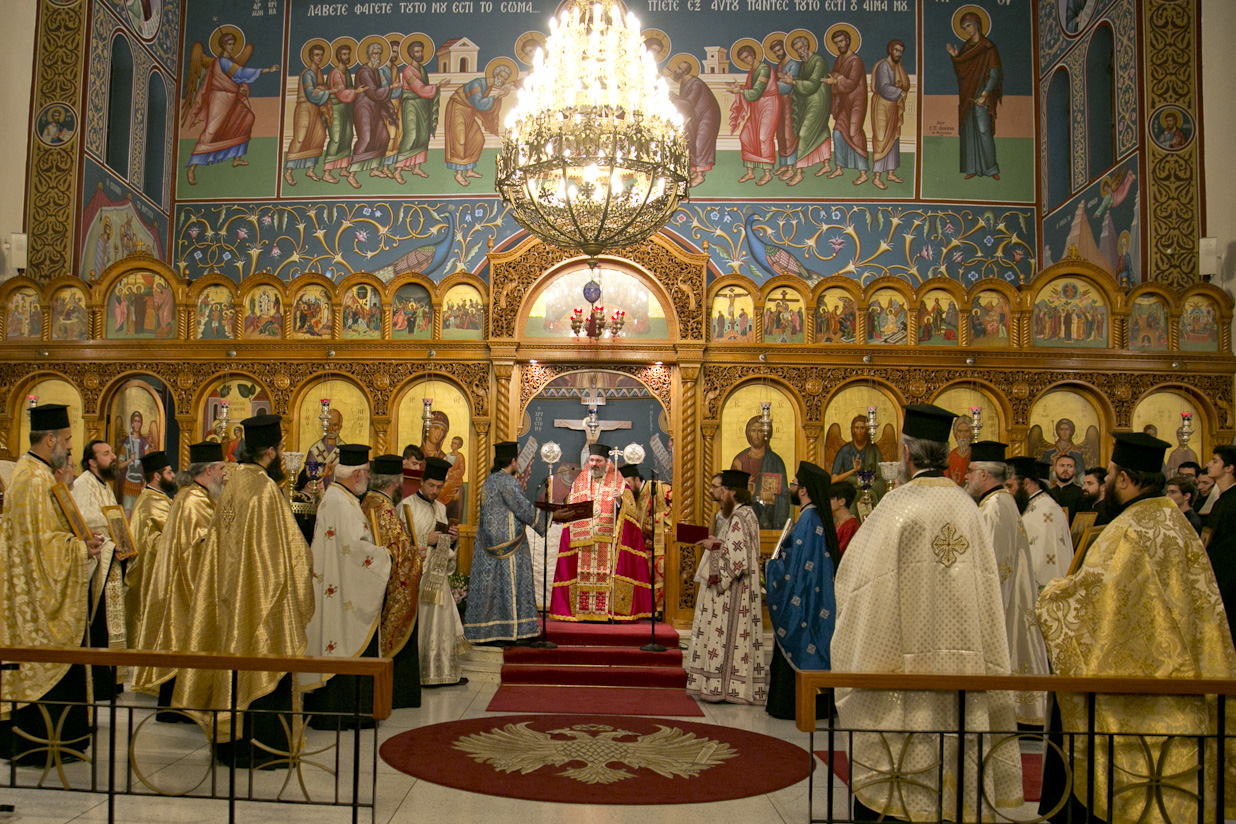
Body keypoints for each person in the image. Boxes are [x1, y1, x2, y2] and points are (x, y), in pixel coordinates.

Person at [831, 404, 1023, 821]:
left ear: (907, 453)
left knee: (904, 778)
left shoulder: (897, 508)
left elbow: (858, 586)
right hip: (963, 677)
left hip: (907, 677)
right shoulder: (970, 509)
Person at [1036, 432, 1236, 824]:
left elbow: (1095, 602)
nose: (1107, 483)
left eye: (1109, 475)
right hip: (1183, 677)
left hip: (1139, 687)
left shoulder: (1127, 529)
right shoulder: (1173, 520)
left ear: (1125, 479)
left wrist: (1052, 597)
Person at [173, 414, 314, 767]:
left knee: (234, 671)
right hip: (261, 603)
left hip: (230, 597)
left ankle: (229, 744)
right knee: (263, 667)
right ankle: (265, 750)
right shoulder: (265, 488)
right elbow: (286, 553)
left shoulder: (233, 483)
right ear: (269, 451)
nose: (281, 455)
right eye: (280, 449)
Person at [0, 405, 103, 762]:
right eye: (68, 439)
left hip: (40, 589)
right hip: (39, 598)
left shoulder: (37, 474)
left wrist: (80, 542)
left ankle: (62, 740)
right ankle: (41, 745)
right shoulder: (33, 481)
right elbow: (41, 549)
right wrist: (79, 550)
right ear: (50, 440)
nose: (71, 447)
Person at [131, 442, 226, 717]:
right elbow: (198, 548)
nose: (224, 474)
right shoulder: (193, 502)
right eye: (221, 469)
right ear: (208, 470)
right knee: (185, 639)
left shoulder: (195, 496)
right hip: (188, 587)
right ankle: (180, 706)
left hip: (188, 584)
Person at [302, 444, 391, 729]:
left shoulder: (338, 497)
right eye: (366, 473)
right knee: (344, 637)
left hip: (337, 586)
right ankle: (345, 711)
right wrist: (384, 556)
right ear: (357, 475)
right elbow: (356, 552)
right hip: (342, 588)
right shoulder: (342, 503)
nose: (367, 479)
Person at [964, 441, 1049, 727]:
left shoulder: (995, 508)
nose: (966, 476)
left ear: (985, 475)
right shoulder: (1000, 502)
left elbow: (996, 570)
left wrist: (981, 613)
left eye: (971, 470)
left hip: (1003, 603)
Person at [686, 469, 766, 705]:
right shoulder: (745, 514)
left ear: (730, 491)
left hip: (733, 593)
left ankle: (726, 686)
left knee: (728, 636)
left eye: (718, 488)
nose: (715, 493)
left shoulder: (739, 517)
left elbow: (736, 561)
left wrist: (713, 547)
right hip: (740, 590)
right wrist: (717, 543)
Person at [765, 461, 838, 720]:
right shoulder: (813, 518)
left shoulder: (808, 520)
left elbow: (794, 570)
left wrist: (772, 566)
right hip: (815, 599)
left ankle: (789, 705)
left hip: (803, 602)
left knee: (799, 643)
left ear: (804, 490)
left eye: (794, 484)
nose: (791, 489)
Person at [551, 445, 652, 621]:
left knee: (606, 577)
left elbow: (631, 512)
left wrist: (620, 500)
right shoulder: (579, 483)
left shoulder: (619, 484)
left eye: (598, 461)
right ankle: (582, 612)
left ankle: (607, 613)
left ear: (607, 463)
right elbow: (571, 507)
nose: (594, 464)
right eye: (591, 460)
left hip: (609, 542)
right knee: (583, 575)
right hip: (584, 541)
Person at [464, 442, 545, 644]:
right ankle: (516, 631)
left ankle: (488, 631)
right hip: (511, 548)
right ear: (512, 461)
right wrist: (548, 517)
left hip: (487, 548)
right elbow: (523, 509)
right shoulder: (508, 482)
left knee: (493, 590)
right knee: (512, 586)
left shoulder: (489, 482)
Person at [361, 454, 423, 708]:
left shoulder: (368, 502)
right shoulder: (384, 508)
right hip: (389, 587)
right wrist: (416, 557)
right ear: (396, 482)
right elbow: (399, 554)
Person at [401, 457, 469, 687]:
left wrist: (452, 540)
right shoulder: (406, 506)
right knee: (423, 624)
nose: (435, 491)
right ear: (422, 481)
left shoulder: (441, 507)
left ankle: (444, 672)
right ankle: (420, 673)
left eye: (439, 487)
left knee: (442, 623)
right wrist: (424, 539)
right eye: (431, 486)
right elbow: (399, 544)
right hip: (418, 577)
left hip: (438, 577)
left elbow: (444, 543)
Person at [182, 31, 280, 185]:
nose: (231, 47)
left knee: (247, 118)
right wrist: (267, 70)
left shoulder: (230, 61)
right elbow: (241, 73)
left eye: (233, 44)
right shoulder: (223, 62)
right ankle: (192, 168)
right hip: (220, 99)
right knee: (211, 131)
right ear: (223, 45)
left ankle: (237, 158)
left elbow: (234, 79)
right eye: (229, 44)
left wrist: (238, 88)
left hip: (231, 98)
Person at [70, 439, 126, 699]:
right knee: (99, 624)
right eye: (106, 454)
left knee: (109, 622)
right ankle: (99, 683)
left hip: (111, 560)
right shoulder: (82, 484)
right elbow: (83, 523)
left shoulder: (105, 485)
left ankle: (110, 681)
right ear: (91, 462)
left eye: (111, 452)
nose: (113, 456)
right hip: (96, 562)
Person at [123, 450, 176, 668]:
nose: (173, 475)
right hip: (150, 574)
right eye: (169, 472)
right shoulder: (150, 502)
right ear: (157, 476)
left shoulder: (158, 498)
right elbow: (157, 540)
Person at [947, 11, 1002, 180]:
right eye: (964, 28)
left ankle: (991, 169)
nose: (966, 30)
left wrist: (984, 95)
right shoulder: (965, 48)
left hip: (982, 96)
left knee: (984, 130)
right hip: (967, 97)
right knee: (968, 131)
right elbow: (962, 73)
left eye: (968, 26)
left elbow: (994, 74)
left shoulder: (988, 47)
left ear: (977, 25)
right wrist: (956, 58)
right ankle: (971, 168)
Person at [1007, 457, 1073, 590]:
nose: (1007, 492)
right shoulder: (1034, 505)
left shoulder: (1045, 512)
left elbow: (1044, 564)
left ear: (1026, 483)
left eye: (1009, 486)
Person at [444, 63, 512, 187]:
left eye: (504, 79)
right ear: (495, 74)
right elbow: (480, 104)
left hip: (469, 111)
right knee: (460, 139)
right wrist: (497, 95)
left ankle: (469, 170)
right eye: (501, 76)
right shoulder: (477, 84)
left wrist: (499, 96)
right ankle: (458, 174)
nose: (502, 80)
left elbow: (484, 106)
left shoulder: (488, 87)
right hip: (458, 109)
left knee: (478, 139)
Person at [728, 44, 778, 186]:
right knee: (746, 136)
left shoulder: (764, 69)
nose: (746, 61)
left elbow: (758, 91)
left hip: (769, 104)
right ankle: (750, 172)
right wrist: (740, 89)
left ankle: (767, 173)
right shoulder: (753, 71)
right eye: (743, 60)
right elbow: (751, 90)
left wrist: (741, 91)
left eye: (747, 57)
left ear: (753, 54)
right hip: (757, 106)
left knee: (763, 137)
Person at [823, 29, 869, 185]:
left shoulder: (856, 61)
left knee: (854, 132)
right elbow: (834, 74)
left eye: (841, 41)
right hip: (844, 101)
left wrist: (836, 81)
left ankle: (863, 172)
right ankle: (839, 167)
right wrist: (836, 78)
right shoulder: (840, 59)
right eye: (836, 43)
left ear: (848, 40)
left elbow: (851, 83)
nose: (839, 45)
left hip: (856, 101)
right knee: (837, 133)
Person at [392, 39, 441, 183]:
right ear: (411, 54)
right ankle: (398, 170)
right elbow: (419, 88)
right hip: (412, 105)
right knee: (411, 135)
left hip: (422, 106)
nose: (420, 54)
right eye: (417, 52)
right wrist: (437, 85)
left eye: (421, 51)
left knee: (423, 135)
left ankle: (417, 167)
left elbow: (423, 90)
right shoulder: (408, 71)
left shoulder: (422, 69)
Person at [348, 41, 397, 180]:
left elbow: (378, 94)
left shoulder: (375, 71)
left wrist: (389, 107)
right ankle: (352, 174)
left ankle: (374, 169)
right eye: (375, 54)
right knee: (366, 138)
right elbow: (374, 93)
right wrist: (391, 87)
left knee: (382, 137)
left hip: (375, 108)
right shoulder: (363, 71)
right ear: (369, 55)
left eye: (379, 54)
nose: (378, 57)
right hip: (363, 108)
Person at [283, 43, 330, 186]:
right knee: (300, 138)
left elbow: (320, 91)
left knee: (319, 136)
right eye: (316, 55)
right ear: (310, 56)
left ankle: (310, 169)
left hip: (315, 109)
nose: (319, 57)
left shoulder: (319, 72)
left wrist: (322, 90)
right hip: (304, 107)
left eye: (321, 55)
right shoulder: (307, 73)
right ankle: (288, 171)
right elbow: (311, 95)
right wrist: (329, 91)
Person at [668, 59, 721, 187]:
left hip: (708, 115)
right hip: (697, 115)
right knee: (692, 141)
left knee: (701, 142)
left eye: (679, 68)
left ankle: (700, 176)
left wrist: (672, 98)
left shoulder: (695, 84)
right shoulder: (684, 83)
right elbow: (686, 102)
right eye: (677, 67)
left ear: (685, 72)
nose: (676, 70)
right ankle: (696, 173)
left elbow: (689, 103)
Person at [732, 415, 790, 529]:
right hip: (743, 524)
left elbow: (786, 496)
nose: (757, 435)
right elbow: (730, 495)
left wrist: (773, 498)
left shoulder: (776, 461)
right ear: (748, 433)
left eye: (760, 431)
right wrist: (746, 493)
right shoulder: (739, 461)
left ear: (766, 434)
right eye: (753, 431)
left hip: (769, 522)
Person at [788, 33, 832, 184]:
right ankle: (826, 165)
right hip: (808, 101)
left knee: (805, 132)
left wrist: (794, 83)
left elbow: (813, 84)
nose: (799, 52)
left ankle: (799, 172)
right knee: (821, 130)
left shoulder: (819, 61)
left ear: (807, 46)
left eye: (801, 48)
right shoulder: (804, 63)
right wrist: (792, 79)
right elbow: (803, 80)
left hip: (819, 101)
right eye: (796, 50)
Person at [628, 464, 672, 616]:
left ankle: (659, 610)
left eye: (628, 484)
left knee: (659, 563)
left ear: (637, 480)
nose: (626, 488)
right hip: (644, 547)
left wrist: (654, 523)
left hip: (664, 545)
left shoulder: (660, 488)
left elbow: (677, 510)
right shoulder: (632, 499)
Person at [869, 40, 909, 190]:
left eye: (901, 51)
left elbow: (905, 84)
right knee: (881, 138)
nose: (899, 53)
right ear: (890, 50)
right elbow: (884, 88)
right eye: (896, 50)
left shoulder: (897, 66)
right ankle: (877, 177)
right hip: (881, 105)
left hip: (893, 106)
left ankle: (891, 173)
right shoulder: (883, 66)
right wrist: (899, 92)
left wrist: (900, 90)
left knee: (893, 137)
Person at [323, 43, 362, 188]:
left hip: (346, 108)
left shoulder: (346, 72)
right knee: (337, 137)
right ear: (338, 56)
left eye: (348, 54)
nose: (346, 57)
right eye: (344, 54)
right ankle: (327, 172)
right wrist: (356, 92)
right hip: (336, 108)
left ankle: (343, 168)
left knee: (347, 136)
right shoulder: (336, 73)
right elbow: (340, 92)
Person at [1203, 445, 1236, 614]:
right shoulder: (1222, 500)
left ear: (1229, 468)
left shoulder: (1233, 501)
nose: (1208, 464)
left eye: (1215, 461)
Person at [830, 414, 885, 511]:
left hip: (870, 489)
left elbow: (880, 475)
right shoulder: (844, 450)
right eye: (857, 428)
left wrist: (870, 491)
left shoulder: (873, 450)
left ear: (867, 430)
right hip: (850, 489)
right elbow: (834, 479)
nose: (859, 431)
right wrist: (853, 471)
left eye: (862, 428)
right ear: (852, 430)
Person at [766, 38, 800, 181]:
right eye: (775, 52)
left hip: (791, 103)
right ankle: (784, 164)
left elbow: (788, 86)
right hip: (780, 103)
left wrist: (771, 85)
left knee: (788, 134)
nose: (778, 54)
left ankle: (791, 167)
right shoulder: (779, 66)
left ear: (784, 48)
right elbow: (779, 81)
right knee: (780, 134)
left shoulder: (794, 64)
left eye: (779, 50)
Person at [306, 408, 346, 488]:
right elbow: (309, 474)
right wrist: (323, 473)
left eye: (335, 425)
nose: (331, 429)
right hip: (319, 494)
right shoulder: (315, 449)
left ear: (340, 426)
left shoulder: (345, 450)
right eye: (328, 424)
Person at [830, 481, 859, 556]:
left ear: (842, 502)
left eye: (831, 498)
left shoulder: (850, 525)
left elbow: (840, 552)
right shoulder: (838, 523)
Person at [946, 415, 973, 485]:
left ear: (971, 434)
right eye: (960, 431)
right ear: (955, 434)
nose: (963, 436)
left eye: (966, 431)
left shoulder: (976, 454)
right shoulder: (950, 456)